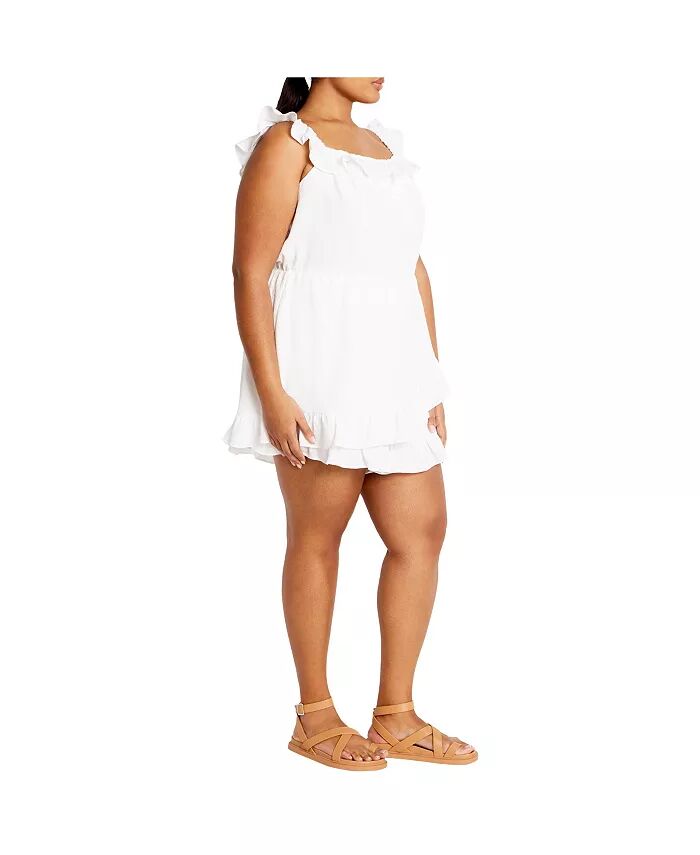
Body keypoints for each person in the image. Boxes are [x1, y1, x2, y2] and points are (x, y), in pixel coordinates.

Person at [223, 77, 477, 771]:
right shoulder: (288, 146)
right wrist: (272, 390)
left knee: (422, 532)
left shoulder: (383, 147)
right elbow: (250, 270)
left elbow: (412, 267)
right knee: (318, 536)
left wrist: (429, 371)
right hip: (321, 367)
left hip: (395, 368)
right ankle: (314, 717)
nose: (382, 68)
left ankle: (396, 714)